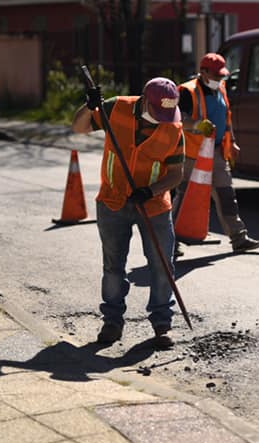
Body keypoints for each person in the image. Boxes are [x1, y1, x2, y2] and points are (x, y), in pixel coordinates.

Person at [71, 77, 185, 349]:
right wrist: (90, 106)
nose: (161, 120)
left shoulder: (173, 128)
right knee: (113, 267)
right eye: (157, 113)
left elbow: (176, 175)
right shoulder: (117, 108)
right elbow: (79, 127)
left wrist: (151, 191)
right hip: (113, 201)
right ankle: (112, 322)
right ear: (144, 101)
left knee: (162, 266)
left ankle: (161, 325)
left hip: (154, 206)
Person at [174, 52, 259, 254]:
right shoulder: (188, 91)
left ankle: (239, 238)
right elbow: (180, 119)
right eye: (216, 76)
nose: (219, 79)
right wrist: (197, 124)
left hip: (216, 152)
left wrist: (231, 142)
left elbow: (227, 117)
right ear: (203, 72)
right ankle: (171, 242)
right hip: (193, 155)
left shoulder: (221, 89)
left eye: (221, 75)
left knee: (226, 195)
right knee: (185, 195)